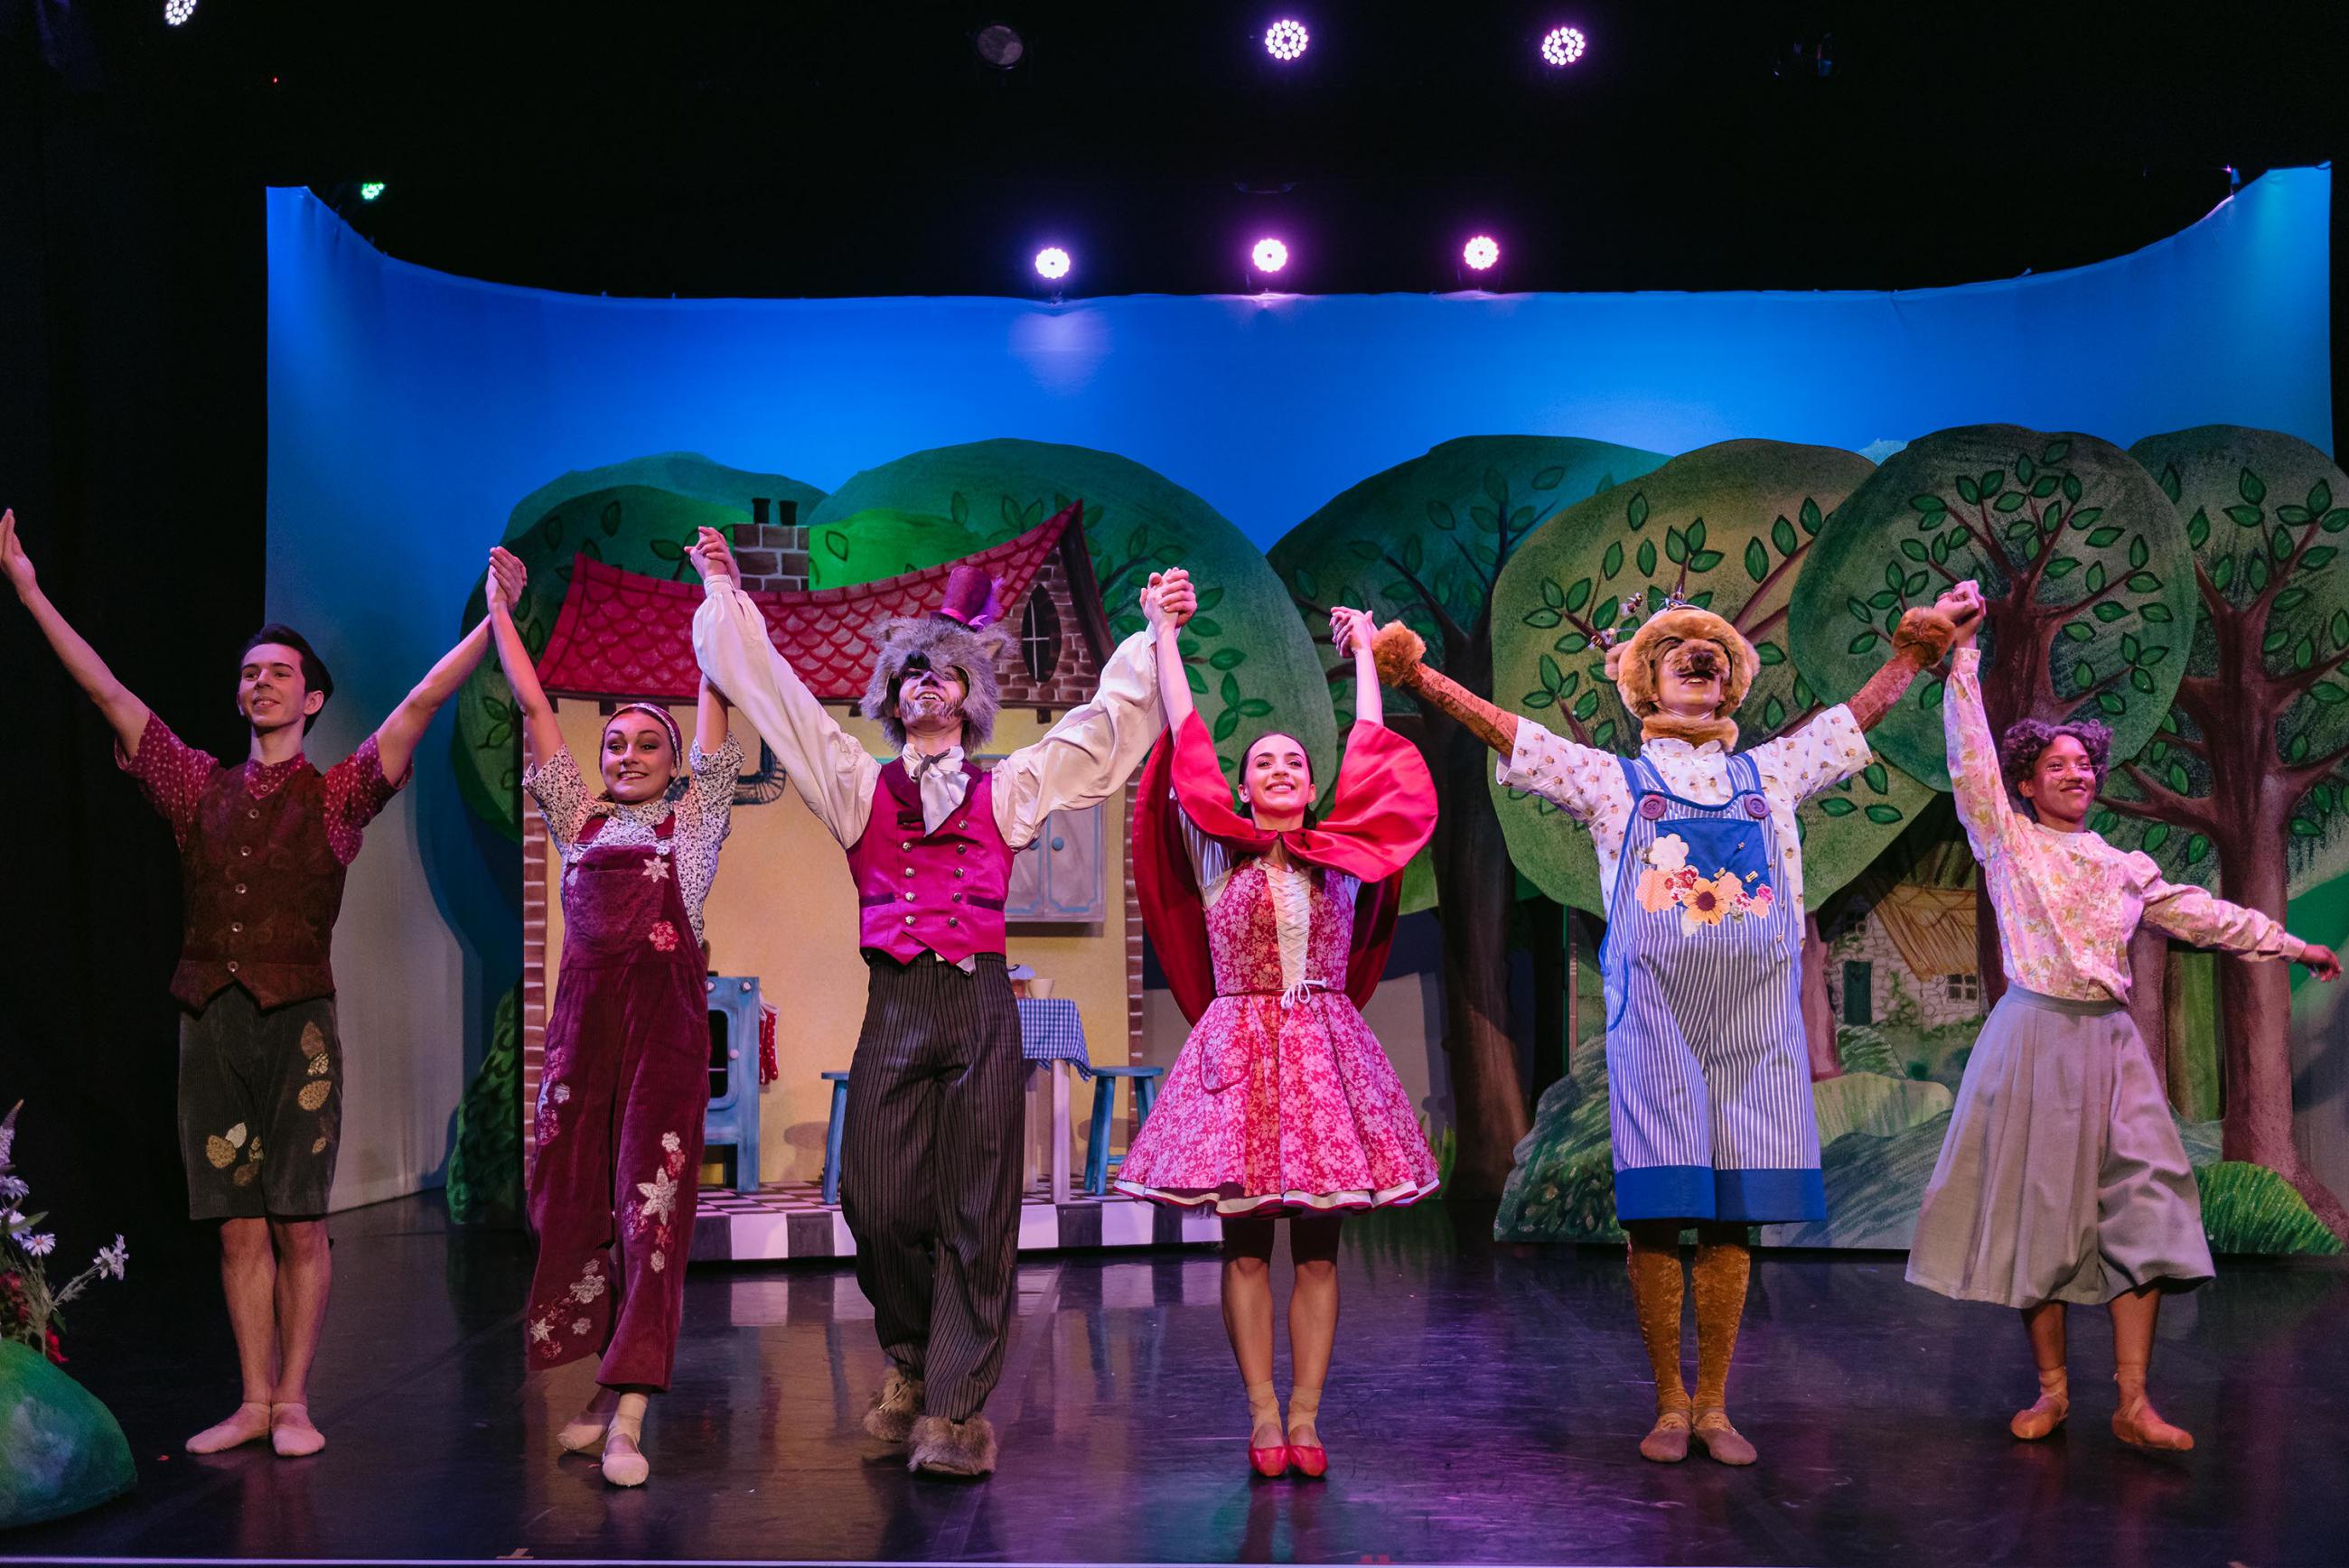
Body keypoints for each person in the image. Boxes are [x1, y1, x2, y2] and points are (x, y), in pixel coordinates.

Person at [1372, 583, 1968, 1466]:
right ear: (1645, 685)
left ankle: (1716, 1404)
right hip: (1655, 1015)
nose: (1700, 659)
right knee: (1657, 1210)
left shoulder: (1771, 770)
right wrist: (1419, 679)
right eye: (1678, 652)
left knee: (1729, 1215)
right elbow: (1508, 732)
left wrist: (1916, 655)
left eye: (1714, 654)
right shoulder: (1611, 780)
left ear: (1730, 687)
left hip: (1753, 1021)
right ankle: (1667, 1398)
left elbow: (1851, 717)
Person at [688, 509, 1185, 1477]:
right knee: (871, 1198)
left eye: (946, 672)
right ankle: (912, 1357)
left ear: (969, 697)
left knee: (976, 1205)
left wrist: (1153, 629)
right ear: (891, 693)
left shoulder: (1008, 787)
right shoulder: (853, 784)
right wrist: (722, 588)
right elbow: (780, 698)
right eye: (913, 671)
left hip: (980, 1003)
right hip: (898, 1003)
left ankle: (956, 1409)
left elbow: (1102, 728)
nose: (929, 682)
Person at [0, 506, 494, 1458]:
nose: (260, 683)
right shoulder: (194, 786)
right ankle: (254, 1398)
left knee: (299, 1221)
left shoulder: (340, 794)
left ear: (311, 700)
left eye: (279, 674)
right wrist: (27, 590)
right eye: (249, 674)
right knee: (235, 1227)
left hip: (298, 1023)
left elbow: (423, 703)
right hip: (211, 1021)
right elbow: (106, 692)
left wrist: (493, 624)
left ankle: (298, 1398)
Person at [1907, 578, 2338, 1451]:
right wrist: (1962, 657)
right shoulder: (2007, 836)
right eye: (2058, 766)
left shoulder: (2123, 864)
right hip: (2033, 1037)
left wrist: (2292, 946)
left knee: (2144, 1203)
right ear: (2028, 784)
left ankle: (2134, 1402)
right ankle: (2054, 1391)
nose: (2079, 774)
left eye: (2087, 765)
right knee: (2041, 1219)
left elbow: (2202, 913)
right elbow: (1970, 764)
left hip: (2110, 1043)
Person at [1117, 602, 1439, 1479]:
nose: (1282, 767)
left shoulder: (1343, 850)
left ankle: (1306, 1413)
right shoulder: (1216, 848)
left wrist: (1364, 653)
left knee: (1323, 1245)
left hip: (1325, 1050)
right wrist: (1165, 636)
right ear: (1244, 785)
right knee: (1246, 1243)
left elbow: (1373, 755)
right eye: (1263, 761)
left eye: (1296, 759)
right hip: (1241, 1052)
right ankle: (1262, 1409)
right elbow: (1183, 736)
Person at [485, 545, 742, 1487]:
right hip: (578, 1058)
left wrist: (719, 592)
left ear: (672, 766)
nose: (626, 755)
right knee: (568, 1208)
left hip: (659, 1059)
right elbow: (536, 707)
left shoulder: (694, 830)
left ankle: (630, 1411)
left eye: (646, 745)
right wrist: (501, 613)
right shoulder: (577, 823)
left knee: (649, 1220)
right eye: (615, 745)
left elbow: (718, 730)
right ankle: (600, 1389)